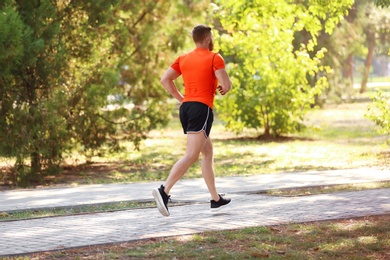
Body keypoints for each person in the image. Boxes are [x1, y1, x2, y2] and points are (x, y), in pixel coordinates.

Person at [152, 25, 233, 217]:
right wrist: (225, 88)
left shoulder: (183, 58)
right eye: (210, 37)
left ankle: (215, 198)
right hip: (201, 109)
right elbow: (226, 85)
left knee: (208, 152)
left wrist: (182, 99)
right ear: (206, 39)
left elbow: (165, 80)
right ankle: (164, 191)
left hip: (187, 108)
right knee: (191, 155)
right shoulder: (215, 57)